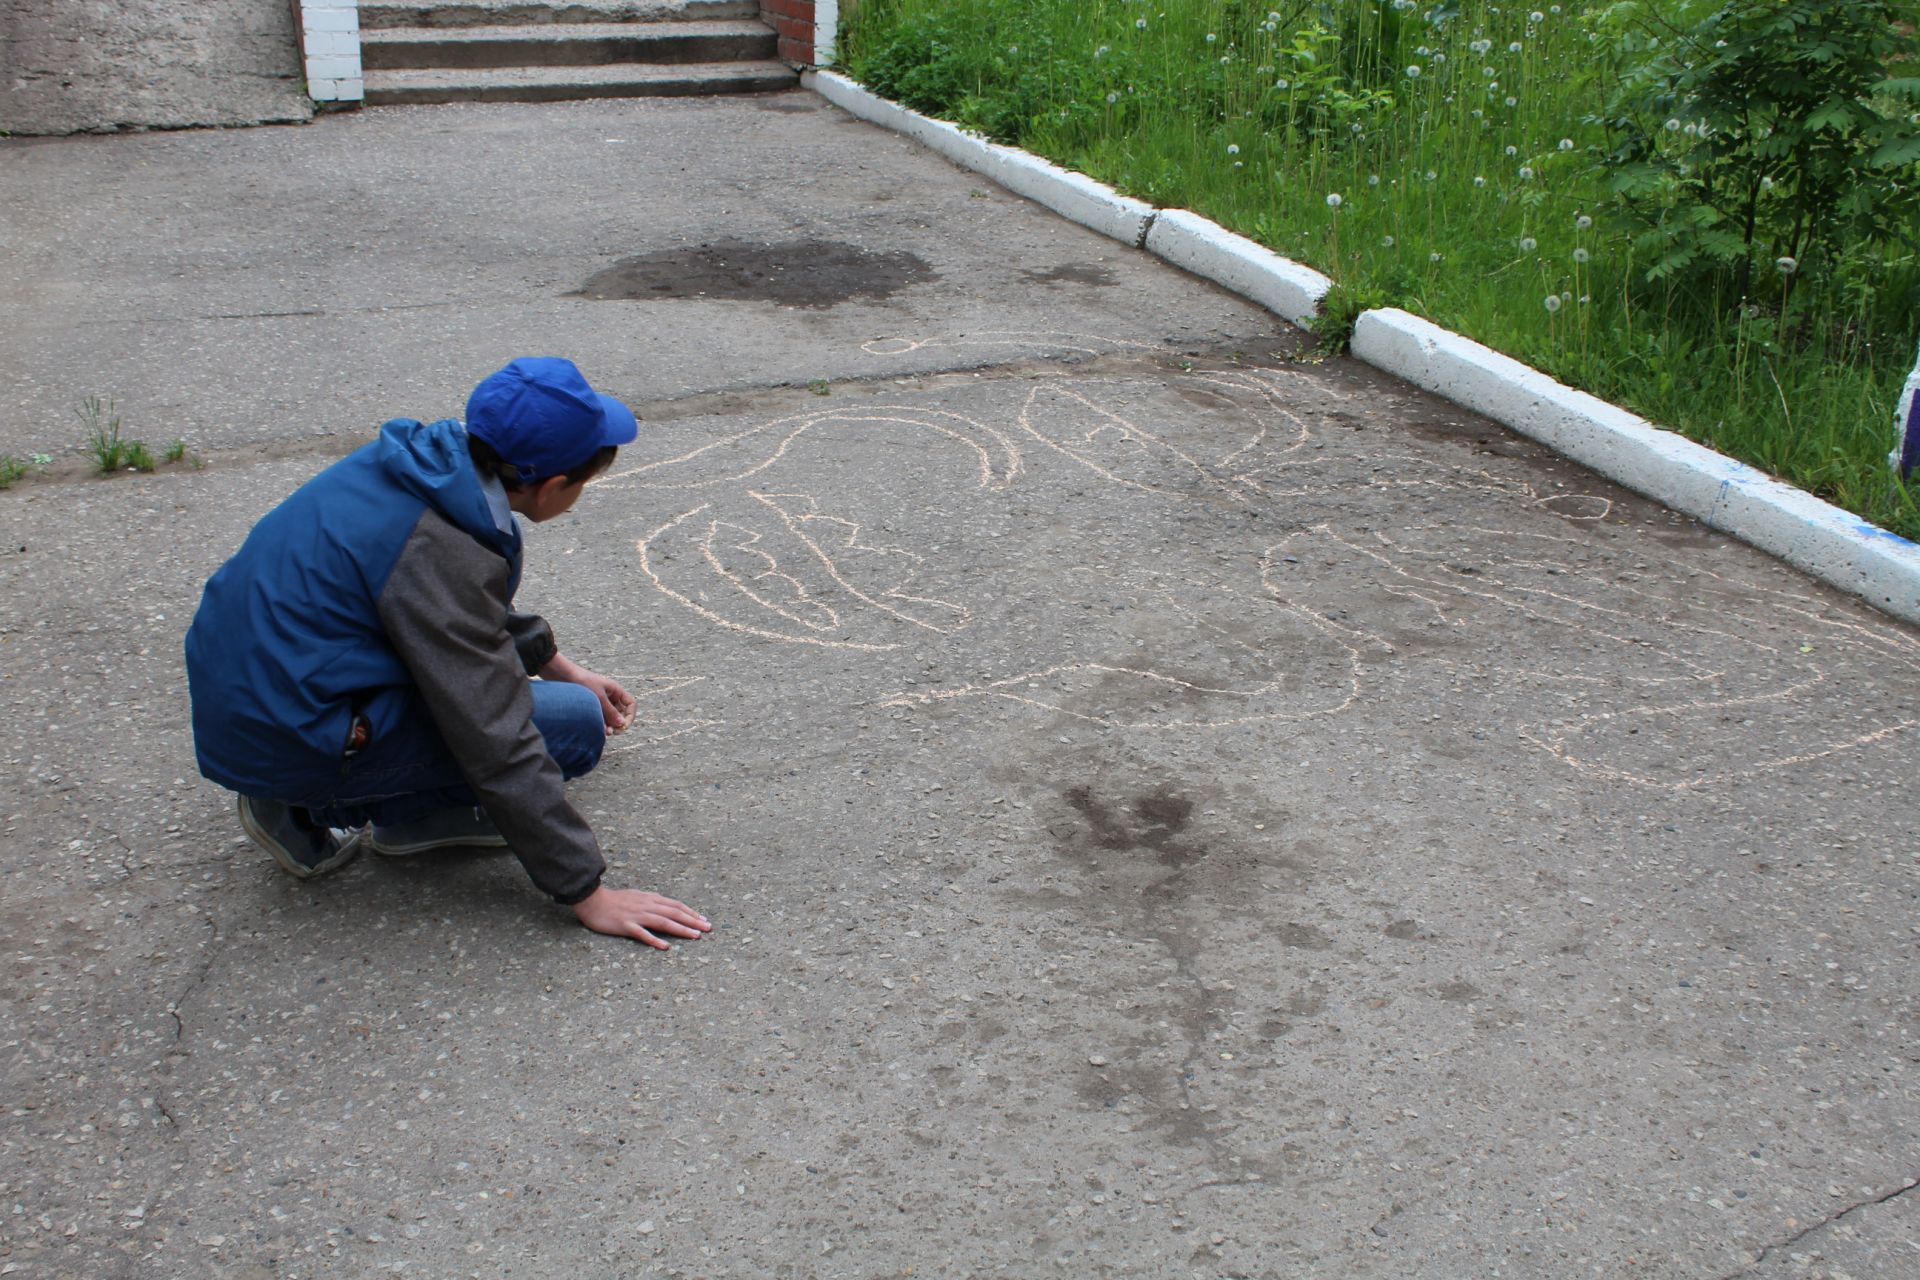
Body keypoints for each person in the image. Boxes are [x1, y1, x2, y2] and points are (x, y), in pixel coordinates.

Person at [184, 357, 711, 950]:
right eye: (582, 482)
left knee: (555, 702)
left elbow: (448, 612)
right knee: (572, 728)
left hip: (276, 688)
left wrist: (555, 663)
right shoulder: (438, 548)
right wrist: (586, 891)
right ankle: (306, 805)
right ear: (549, 485)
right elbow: (495, 735)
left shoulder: (421, 471)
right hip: (294, 730)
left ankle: (412, 815)